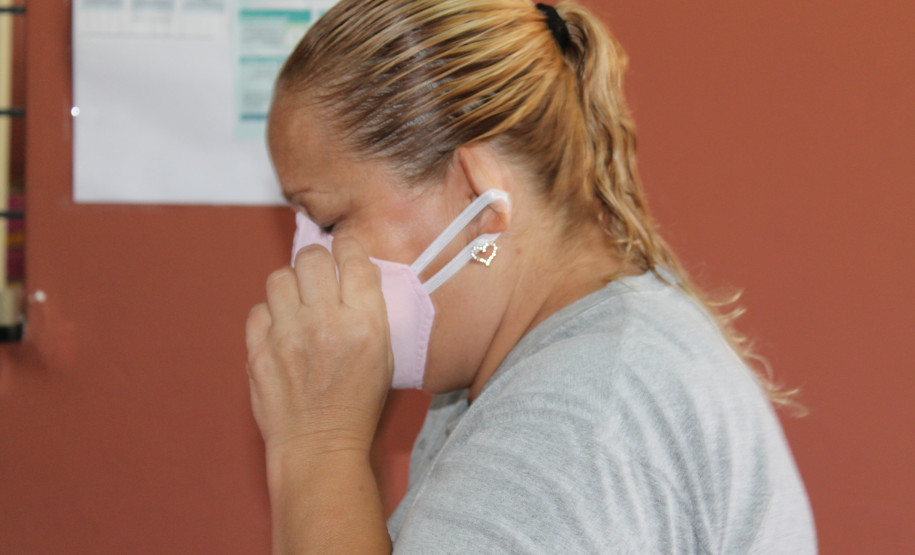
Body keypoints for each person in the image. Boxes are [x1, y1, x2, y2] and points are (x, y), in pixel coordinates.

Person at [245, 0, 817, 552]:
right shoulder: (570, 364)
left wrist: (316, 445)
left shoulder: (573, 421)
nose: (309, 262)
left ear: (479, 198)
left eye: (329, 221)